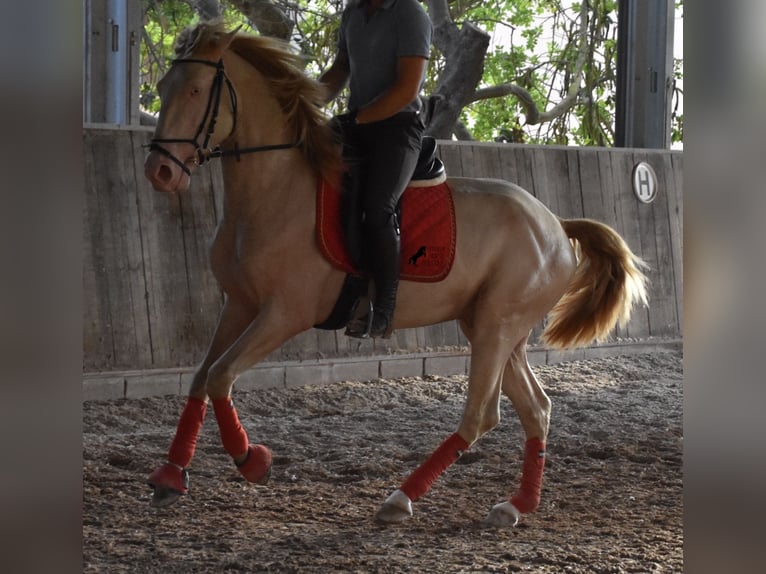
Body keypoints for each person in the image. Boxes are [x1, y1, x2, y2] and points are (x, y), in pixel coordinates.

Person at [319, 0, 432, 339]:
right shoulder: (353, 13)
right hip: (358, 125)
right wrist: (301, 101)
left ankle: (384, 309)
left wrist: (354, 119)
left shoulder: (410, 14)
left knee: (378, 206)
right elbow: (341, 69)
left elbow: (407, 88)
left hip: (398, 128)